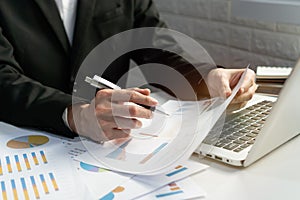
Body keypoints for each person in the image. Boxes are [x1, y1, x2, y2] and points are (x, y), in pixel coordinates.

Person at [0, 0, 257, 143]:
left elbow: (156, 44)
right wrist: (74, 114)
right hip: (26, 139)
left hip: (112, 146)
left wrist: (208, 78)